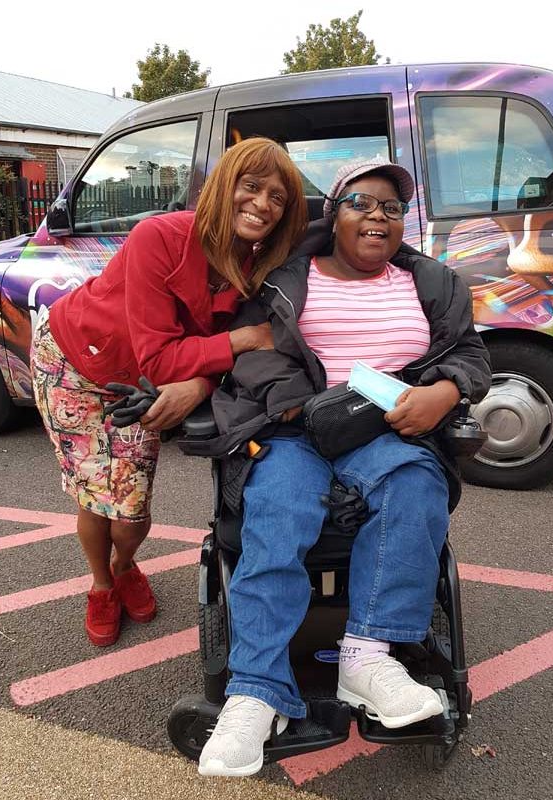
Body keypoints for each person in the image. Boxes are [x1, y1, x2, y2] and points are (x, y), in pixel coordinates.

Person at [195, 158, 491, 777]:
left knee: (416, 482)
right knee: (277, 502)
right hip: (297, 428)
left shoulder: (432, 283)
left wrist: (445, 391)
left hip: (389, 427)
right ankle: (256, 692)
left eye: (391, 207)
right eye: (362, 202)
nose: (378, 216)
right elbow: (251, 362)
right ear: (334, 213)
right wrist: (312, 406)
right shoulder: (284, 280)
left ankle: (366, 656)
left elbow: (469, 354)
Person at [31, 138, 308, 648]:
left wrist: (199, 382)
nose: (263, 204)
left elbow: (202, 358)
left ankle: (125, 562)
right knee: (96, 495)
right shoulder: (158, 235)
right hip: (72, 360)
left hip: (136, 386)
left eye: (277, 197)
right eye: (251, 187)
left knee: (130, 507)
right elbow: (163, 359)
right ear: (225, 188)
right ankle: (102, 585)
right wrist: (244, 339)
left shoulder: (258, 263)